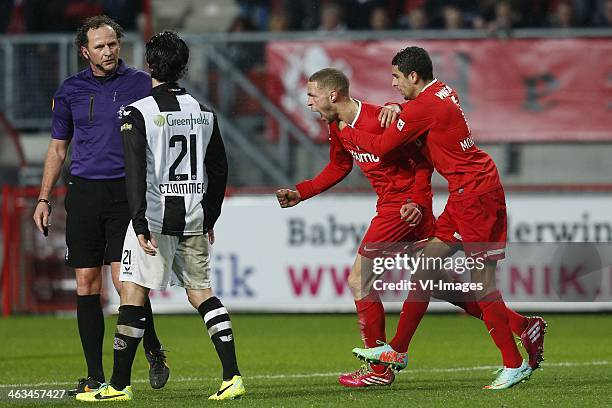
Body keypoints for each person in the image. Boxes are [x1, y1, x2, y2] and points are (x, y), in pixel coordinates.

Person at [276, 68, 539, 388]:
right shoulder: (338, 127)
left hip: (401, 210)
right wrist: (302, 192)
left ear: (333, 95)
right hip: (401, 208)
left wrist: (415, 200)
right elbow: (340, 165)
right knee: (438, 283)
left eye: (312, 95)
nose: (308, 102)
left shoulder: (378, 119)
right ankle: (522, 326)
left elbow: (422, 161)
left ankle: (380, 366)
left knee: (360, 278)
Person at [343, 46, 546, 389]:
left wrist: (346, 127)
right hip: (463, 193)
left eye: (395, 77)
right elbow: (417, 115)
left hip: (477, 196)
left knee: (484, 286)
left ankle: (513, 364)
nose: (392, 84)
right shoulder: (440, 90)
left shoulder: (425, 104)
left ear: (413, 76)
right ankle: (398, 350)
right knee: (424, 267)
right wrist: (399, 108)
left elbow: (381, 148)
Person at [76, 31, 244, 402]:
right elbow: (219, 170)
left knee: (132, 297)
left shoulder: (138, 112)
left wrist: (137, 222)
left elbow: (134, 174)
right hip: (195, 217)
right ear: (183, 66)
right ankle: (232, 376)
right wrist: (210, 216)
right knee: (202, 295)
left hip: (153, 221)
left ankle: (118, 386)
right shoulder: (203, 112)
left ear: (150, 65)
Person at [32, 15, 169, 394]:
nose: (108, 51)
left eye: (112, 44)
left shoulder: (143, 85)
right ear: (84, 51)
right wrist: (44, 198)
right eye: (100, 46)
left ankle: (154, 349)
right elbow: (58, 149)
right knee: (86, 283)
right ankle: (94, 375)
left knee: (126, 283)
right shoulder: (70, 90)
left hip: (128, 195)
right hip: (85, 194)